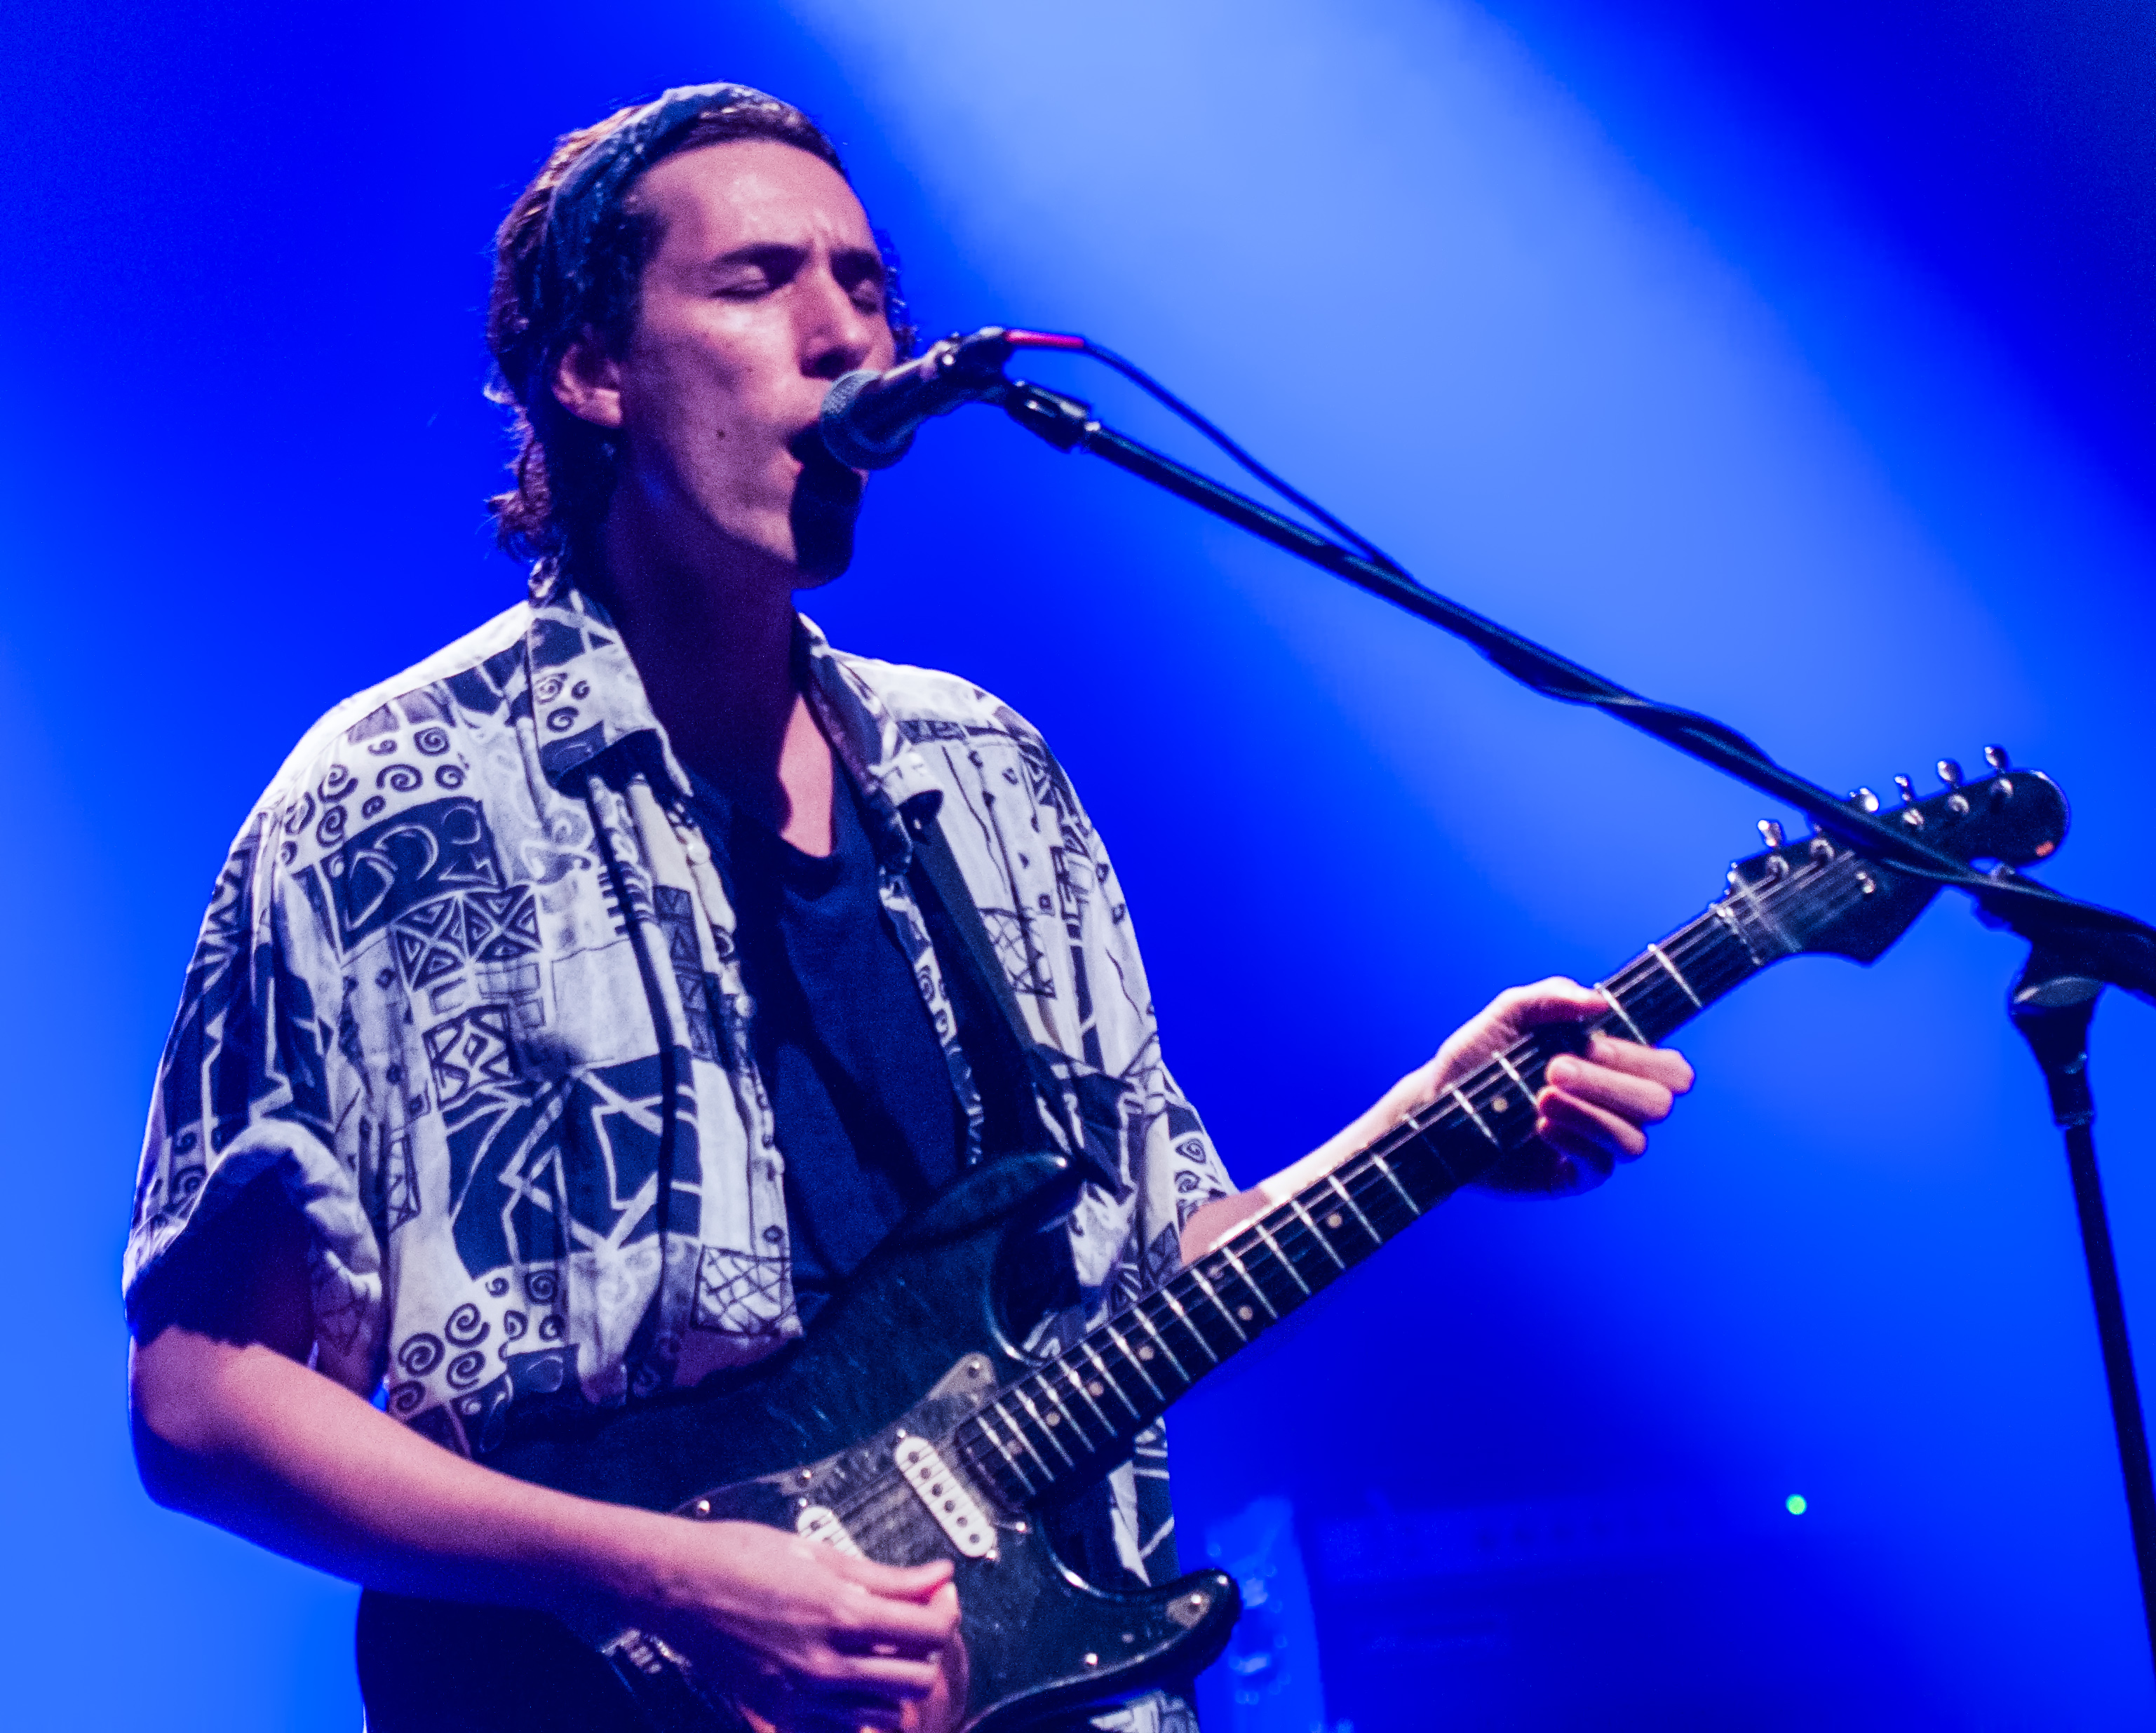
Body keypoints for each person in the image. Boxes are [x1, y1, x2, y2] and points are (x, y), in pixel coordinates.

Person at [123, 84, 1693, 1733]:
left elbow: (1127, 1270)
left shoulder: (983, 774)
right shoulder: (393, 799)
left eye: (866, 288)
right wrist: (658, 1575)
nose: (845, 338)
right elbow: (201, 1398)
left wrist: (1425, 1130)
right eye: (757, 284)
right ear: (592, 370)